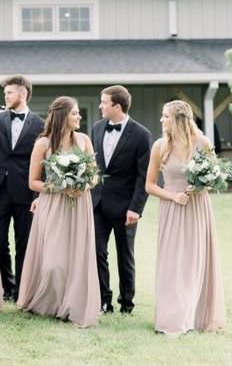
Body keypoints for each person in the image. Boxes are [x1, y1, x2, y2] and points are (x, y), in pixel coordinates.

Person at [17, 96, 100, 328]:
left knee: (77, 256)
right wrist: (59, 188)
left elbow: (94, 174)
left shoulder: (83, 140)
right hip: (53, 205)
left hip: (79, 205)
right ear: (63, 116)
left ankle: (73, 303)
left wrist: (83, 185)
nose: (79, 117)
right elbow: (33, 182)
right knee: (54, 261)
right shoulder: (43, 144)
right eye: (75, 113)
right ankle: (48, 302)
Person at [146, 100, 226, 335]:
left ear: (180, 120)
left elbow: (214, 178)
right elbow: (149, 185)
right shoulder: (160, 146)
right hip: (172, 209)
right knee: (173, 263)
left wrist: (200, 187)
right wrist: (173, 196)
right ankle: (173, 317)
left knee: (195, 260)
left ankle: (197, 316)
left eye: (166, 116)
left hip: (197, 208)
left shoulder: (202, 143)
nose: (162, 120)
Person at [0, 75, 44, 301]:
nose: (5, 97)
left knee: (24, 241)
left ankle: (22, 289)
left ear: (23, 93)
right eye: (4, 93)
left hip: (26, 190)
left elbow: (43, 163)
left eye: (9, 93)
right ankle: (6, 285)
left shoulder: (39, 124)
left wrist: (38, 194)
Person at [90, 85, 152, 315]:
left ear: (117, 106)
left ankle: (127, 302)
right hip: (97, 203)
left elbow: (143, 176)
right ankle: (103, 300)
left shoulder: (141, 134)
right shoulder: (96, 129)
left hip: (126, 207)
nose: (100, 106)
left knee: (125, 255)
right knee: (97, 252)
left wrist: (135, 208)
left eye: (104, 102)